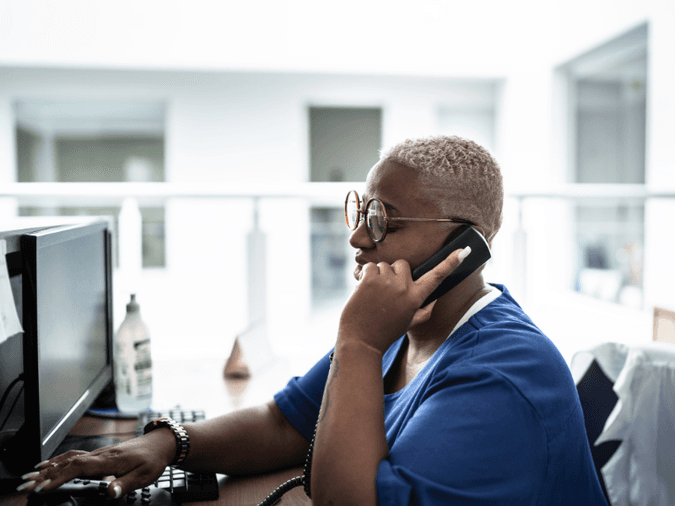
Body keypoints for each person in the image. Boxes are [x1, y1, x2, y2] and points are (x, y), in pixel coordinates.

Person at [17, 136, 608, 505]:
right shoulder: (403, 326)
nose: (356, 237)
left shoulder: (503, 375)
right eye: (361, 210)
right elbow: (287, 422)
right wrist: (169, 444)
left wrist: (356, 340)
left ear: (466, 244)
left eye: (384, 220)